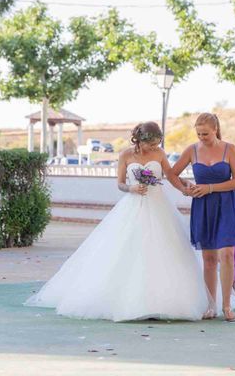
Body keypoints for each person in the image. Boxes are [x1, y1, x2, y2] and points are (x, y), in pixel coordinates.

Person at [25, 122, 212, 322]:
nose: (154, 148)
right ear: (140, 140)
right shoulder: (125, 155)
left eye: (157, 145)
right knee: (130, 248)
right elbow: (120, 183)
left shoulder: (160, 154)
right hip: (134, 204)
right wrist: (131, 189)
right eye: (151, 145)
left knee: (163, 248)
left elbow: (172, 177)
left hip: (159, 206)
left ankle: (166, 302)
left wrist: (184, 189)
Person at [172, 113, 235, 322]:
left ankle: (227, 306)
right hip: (203, 207)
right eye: (198, 134)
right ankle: (211, 306)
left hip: (227, 206)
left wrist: (209, 187)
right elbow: (171, 173)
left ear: (215, 129)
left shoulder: (230, 149)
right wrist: (184, 189)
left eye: (205, 133)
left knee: (227, 255)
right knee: (209, 258)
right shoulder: (192, 150)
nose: (202, 137)